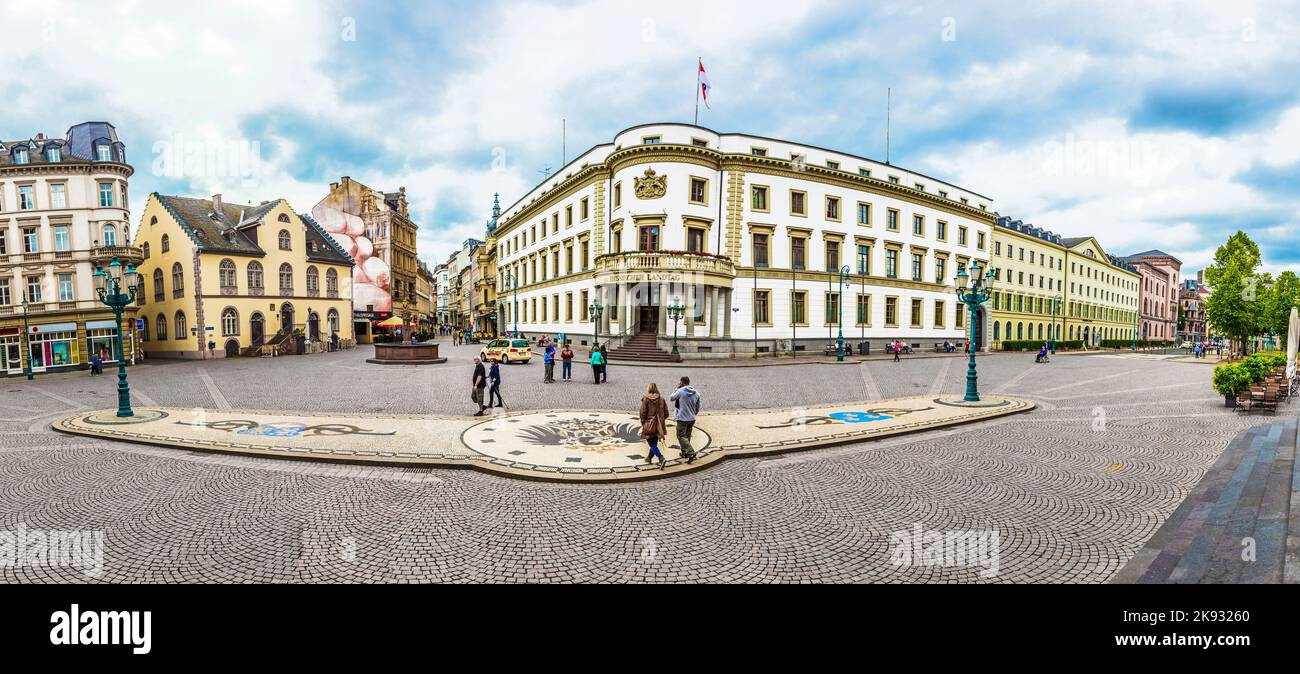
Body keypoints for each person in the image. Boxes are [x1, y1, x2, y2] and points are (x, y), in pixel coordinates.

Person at [669, 376, 701, 463]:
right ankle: (685, 453)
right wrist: (693, 414)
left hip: (682, 418)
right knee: (687, 436)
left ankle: (690, 452)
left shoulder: (680, 391)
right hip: (692, 418)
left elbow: (671, 398)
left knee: (681, 436)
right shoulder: (697, 393)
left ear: (682, 383)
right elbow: (698, 407)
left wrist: (676, 388)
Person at [639, 383, 669, 469]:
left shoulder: (646, 399)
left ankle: (661, 458)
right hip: (659, 425)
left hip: (649, 424)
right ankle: (649, 458)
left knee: (651, 443)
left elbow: (642, 413)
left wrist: (644, 423)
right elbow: (666, 413)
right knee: (654, 443)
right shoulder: (662, 399)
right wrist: (660, 420)